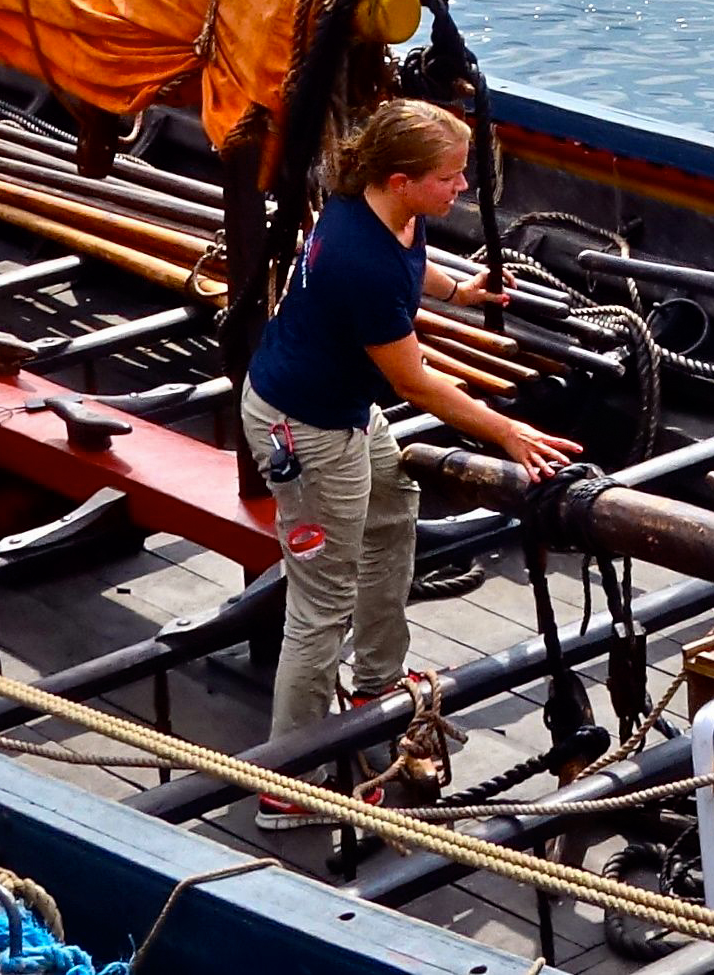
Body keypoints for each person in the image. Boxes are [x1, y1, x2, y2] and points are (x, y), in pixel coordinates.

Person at [240, 96, 578, 828]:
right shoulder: (358, 262)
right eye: (450, 178)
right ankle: (284, 785)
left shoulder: (383, 207)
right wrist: (508, 432)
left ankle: (375, 686)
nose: (462, 189)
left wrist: (458, 288)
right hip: (308, 428)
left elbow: (410, 262)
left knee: (393, 503)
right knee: (320, 606)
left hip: (344, 410)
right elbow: (415, 381)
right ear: (399, 177)